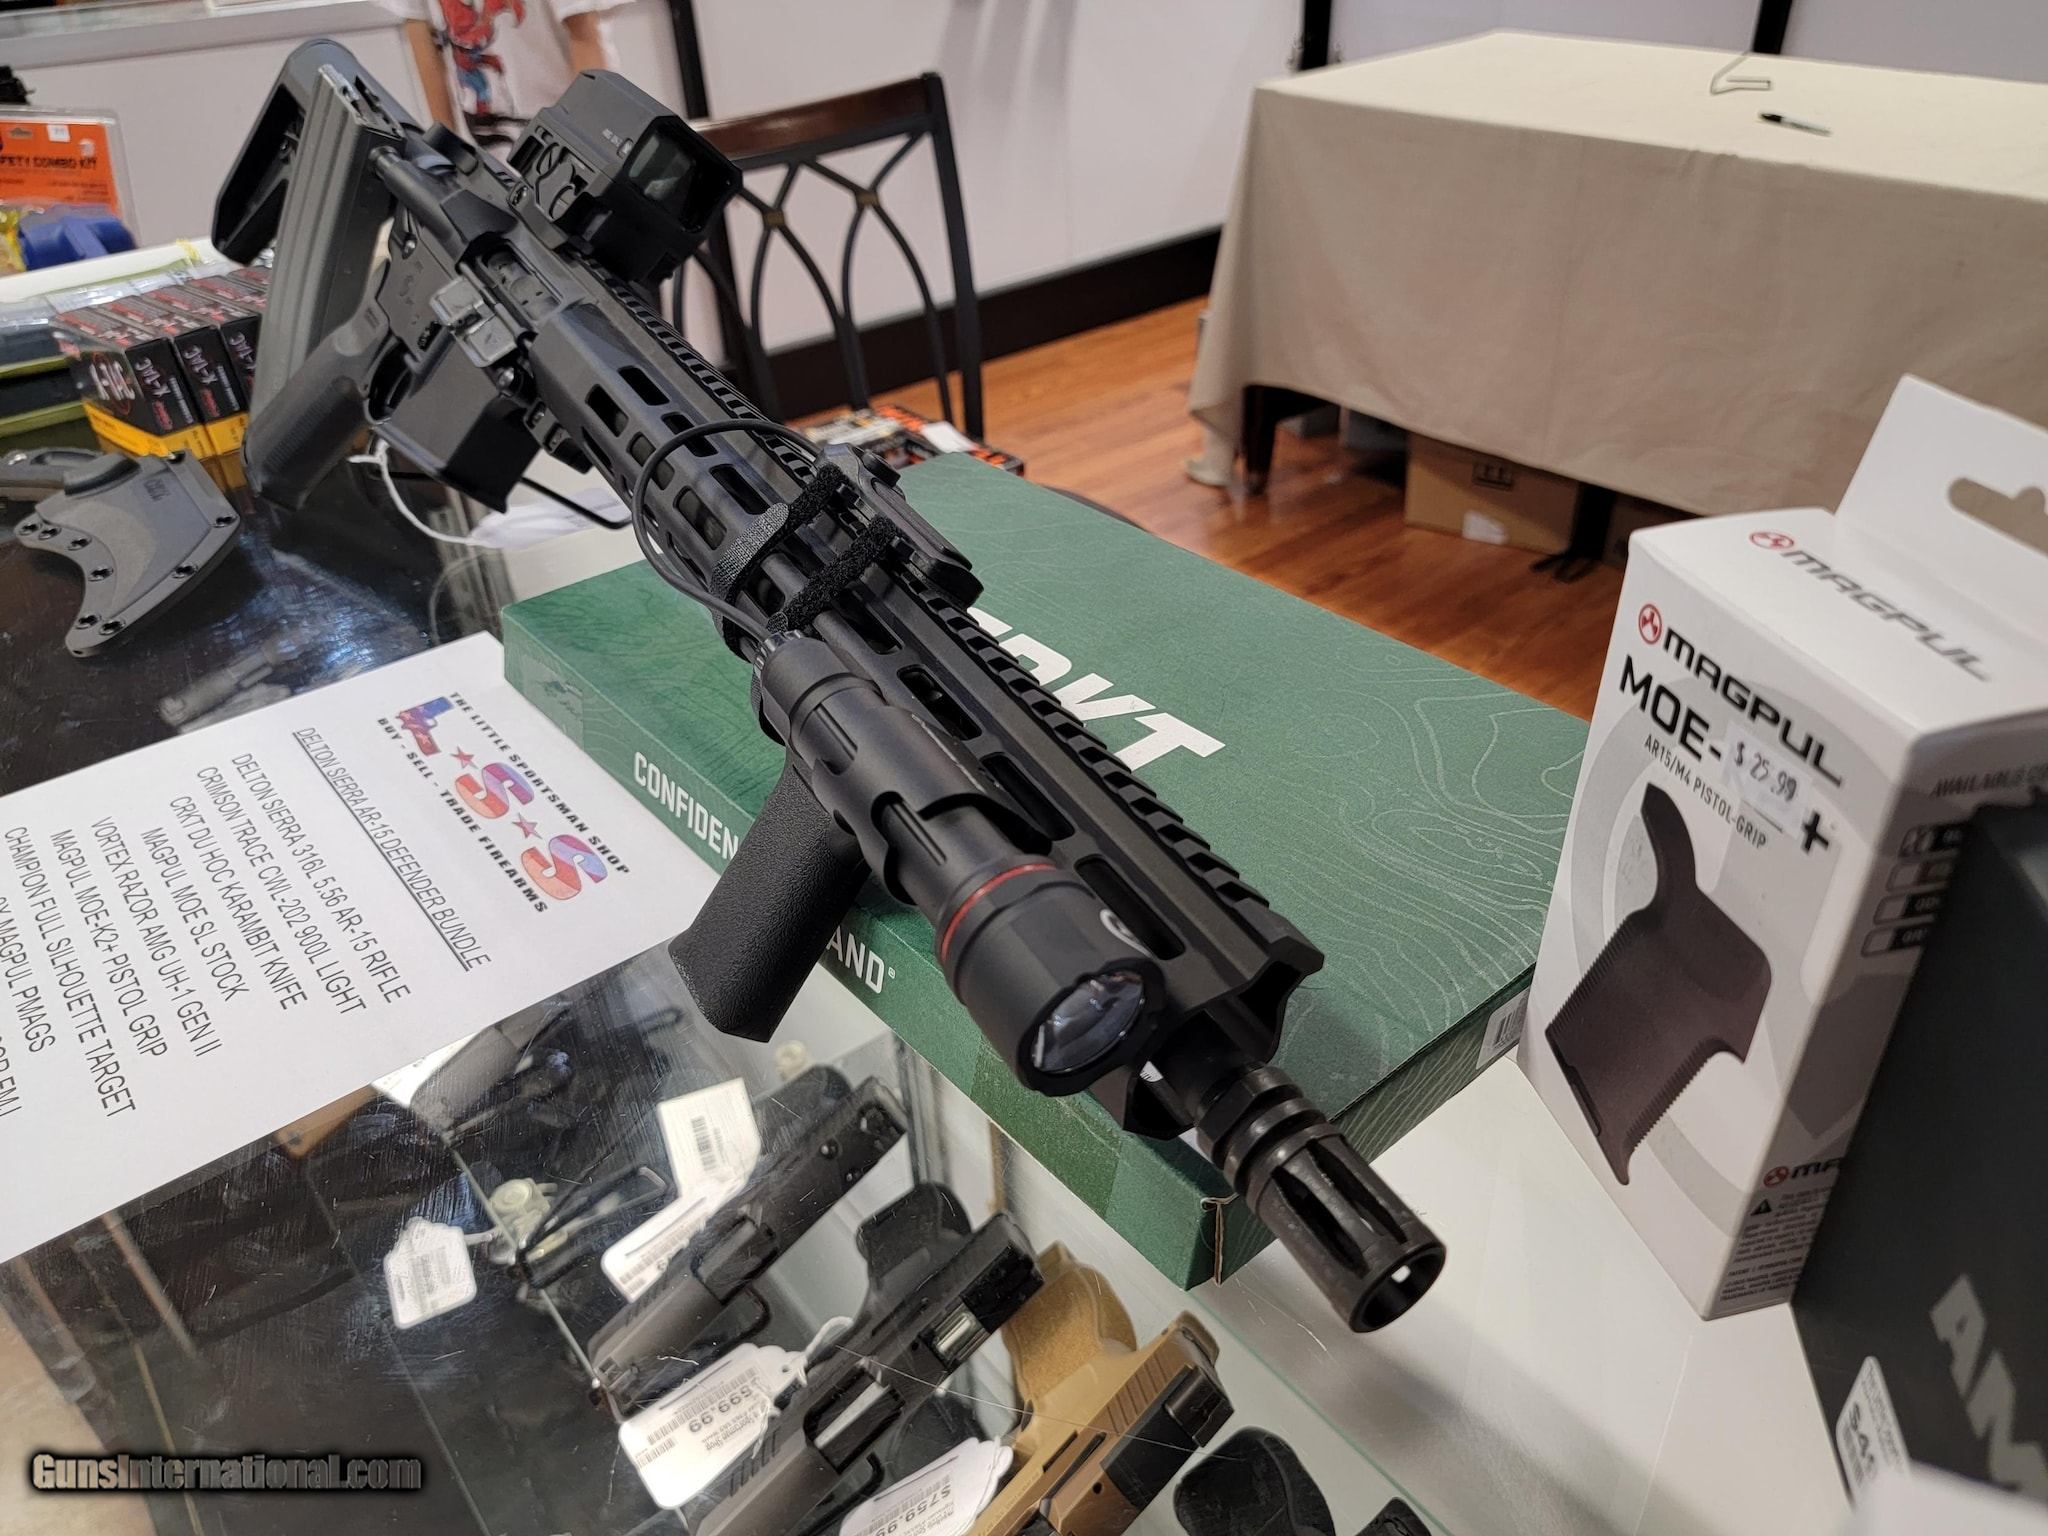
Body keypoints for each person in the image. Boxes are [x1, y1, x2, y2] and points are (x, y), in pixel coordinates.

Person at [392, 0, 623, 146]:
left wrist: (593, 151)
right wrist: (446, 156)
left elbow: (585, 38)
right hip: (486, 156)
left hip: (563, 132)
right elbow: (421, 33)